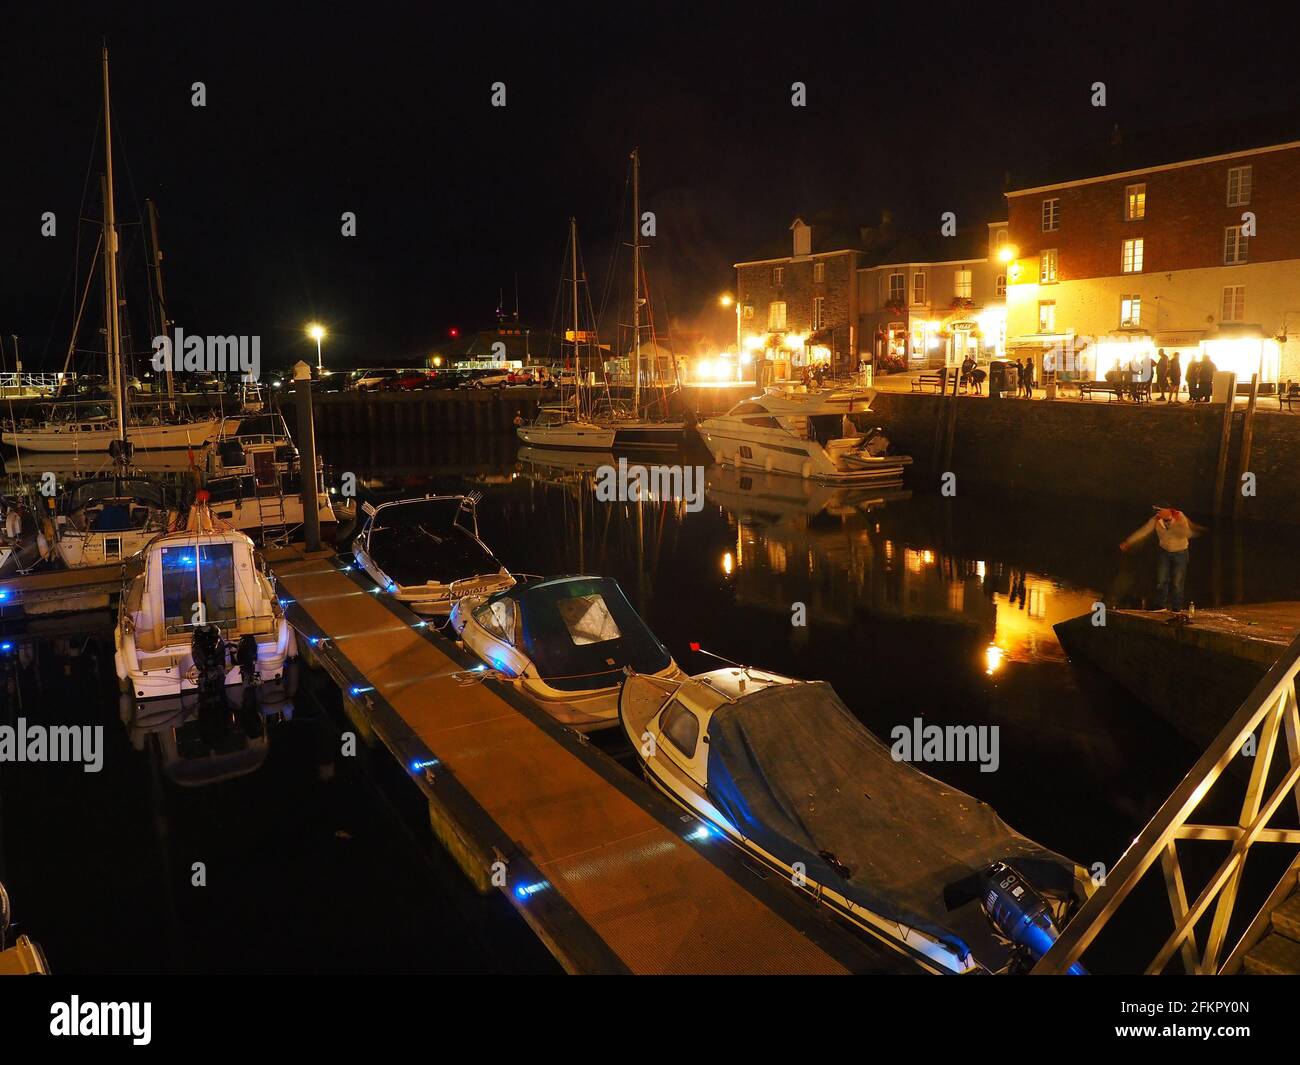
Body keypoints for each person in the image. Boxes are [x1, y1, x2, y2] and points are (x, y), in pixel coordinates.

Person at [1119, 504, 1202, 612]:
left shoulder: (1179, 516)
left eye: (1161, 510)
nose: (1159, 513)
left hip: (1180, 552)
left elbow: (1184, 533)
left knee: (1177, 582)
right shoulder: (1156, 520)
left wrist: (1171, 521)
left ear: (1168, 510)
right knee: (1161, 580)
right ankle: (1160, 605)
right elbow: (1143, 531)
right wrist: (1129, 542)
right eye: (1157, 511)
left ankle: (1176, 607)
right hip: (1165, 551)